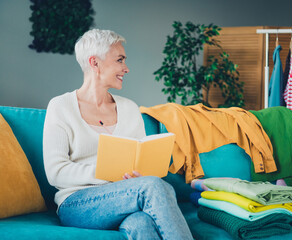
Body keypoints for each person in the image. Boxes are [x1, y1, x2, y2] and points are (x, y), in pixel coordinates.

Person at [43, 29, 193, 240]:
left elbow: (142, 170)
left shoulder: (130, 108)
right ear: (94, 63)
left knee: (141, 223)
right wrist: (109, 173)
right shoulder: (61, 106)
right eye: (120, 60)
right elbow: (55, 172)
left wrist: (138, 175)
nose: (126, 68)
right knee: (153, 187)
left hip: (125, 198)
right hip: (77, 204)